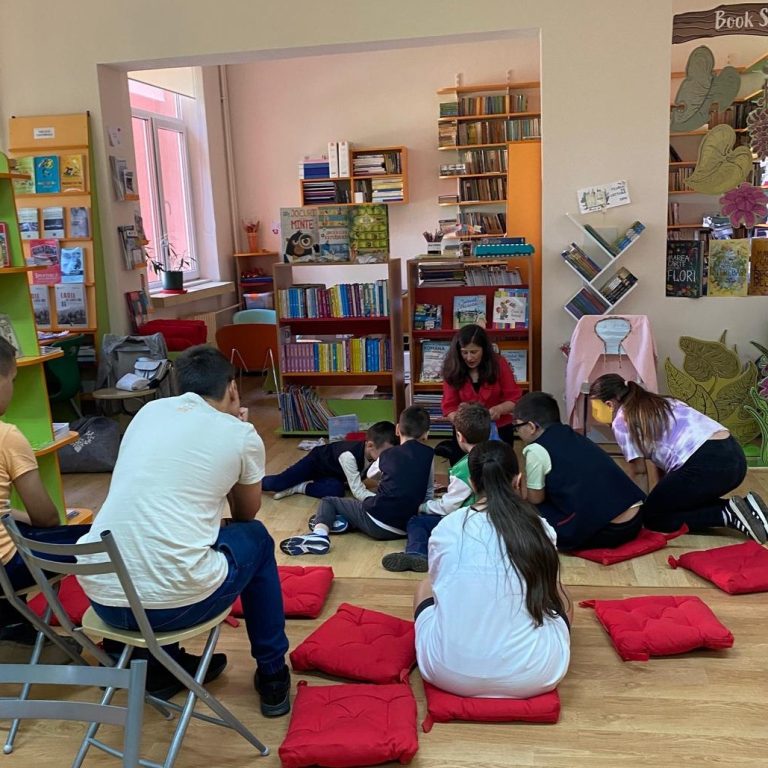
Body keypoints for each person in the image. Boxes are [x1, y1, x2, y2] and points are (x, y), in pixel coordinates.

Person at [77, 345, 291, 716]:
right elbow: (245, 512)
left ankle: (161, 668)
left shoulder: (146, 413)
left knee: (159, 536)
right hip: (174, 609)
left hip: (104, 603)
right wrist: (238, 435)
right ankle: (273, 673)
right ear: (232, 388)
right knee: (256, 537)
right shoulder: (239, 433)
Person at [414, 440, 571, 698]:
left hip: (446, 673)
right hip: (533, 676)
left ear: (473, 483)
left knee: (425, 587)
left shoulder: (447, 527)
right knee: (559, 591)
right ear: (518, 481)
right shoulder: (540, 528)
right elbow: (549, 594)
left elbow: (440, 583)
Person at [589, 373, 768, 543]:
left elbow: (639, 472)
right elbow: (663, 465)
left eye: (596, 408)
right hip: (734, 458)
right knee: (673, 502)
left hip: (707, 464)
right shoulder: (660, 402)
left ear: (609, 404)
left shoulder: (623, 420)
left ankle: (727, 513)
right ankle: (747, 507)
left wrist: (639, 513)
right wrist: (660, 497)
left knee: (654, 517)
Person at [0, 337, 91, 660]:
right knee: (98, 541)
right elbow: (47, 518)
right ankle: (126, 645)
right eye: (12, 380)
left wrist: (17, 517)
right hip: (6, 569)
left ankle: (15, 632)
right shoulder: (7, 436)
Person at [280, 405, 434, 556]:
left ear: (398, 429)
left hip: (377, 522)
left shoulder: (388, 454)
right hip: (405, 527)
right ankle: (342, 523)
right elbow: (428, 492)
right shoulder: (429, 455)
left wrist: (389, 478)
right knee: (359, 509)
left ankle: (319, 535)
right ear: (427, 433)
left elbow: (372, 475)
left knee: (329, 501)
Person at [513, 391, 645, 551]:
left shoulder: (535, 449)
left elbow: (536, 499)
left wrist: (519, 495)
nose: (517, 432)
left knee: (530, 514)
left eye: (517, 426)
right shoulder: (571, 434)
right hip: (635, 519)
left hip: (610, 530)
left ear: (531, 427)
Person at [381, 402, 491, 572]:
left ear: (459, 436)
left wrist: (424, 507)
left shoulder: (464, 467)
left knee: (416, 522)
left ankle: (417, 553)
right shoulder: (498, 454)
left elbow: (449, 507)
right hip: (496, 518)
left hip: (469, 521)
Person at [438, 324, 522, 464]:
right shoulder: (452, 367)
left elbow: (514, 399)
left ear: (484, 349)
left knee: (498, 471)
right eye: (464, 352)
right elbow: (449, 407)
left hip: (499, 430)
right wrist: (464, 421)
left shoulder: (499, 364)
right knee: (464, 471)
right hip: (465, 435)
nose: (469, 357)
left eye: (474, 352)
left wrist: (499, 409)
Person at [263, 421, 396, 501]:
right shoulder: (349, 456)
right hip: (315, 463)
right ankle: (253, 482)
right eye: (387, 453)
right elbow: (358, 492)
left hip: (334, 474)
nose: (390, 457)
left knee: (336, 491)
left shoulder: (376, 455)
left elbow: (384, 479)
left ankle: (299, 487)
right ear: (370, 445)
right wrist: (383, 501)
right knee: (278, 483)